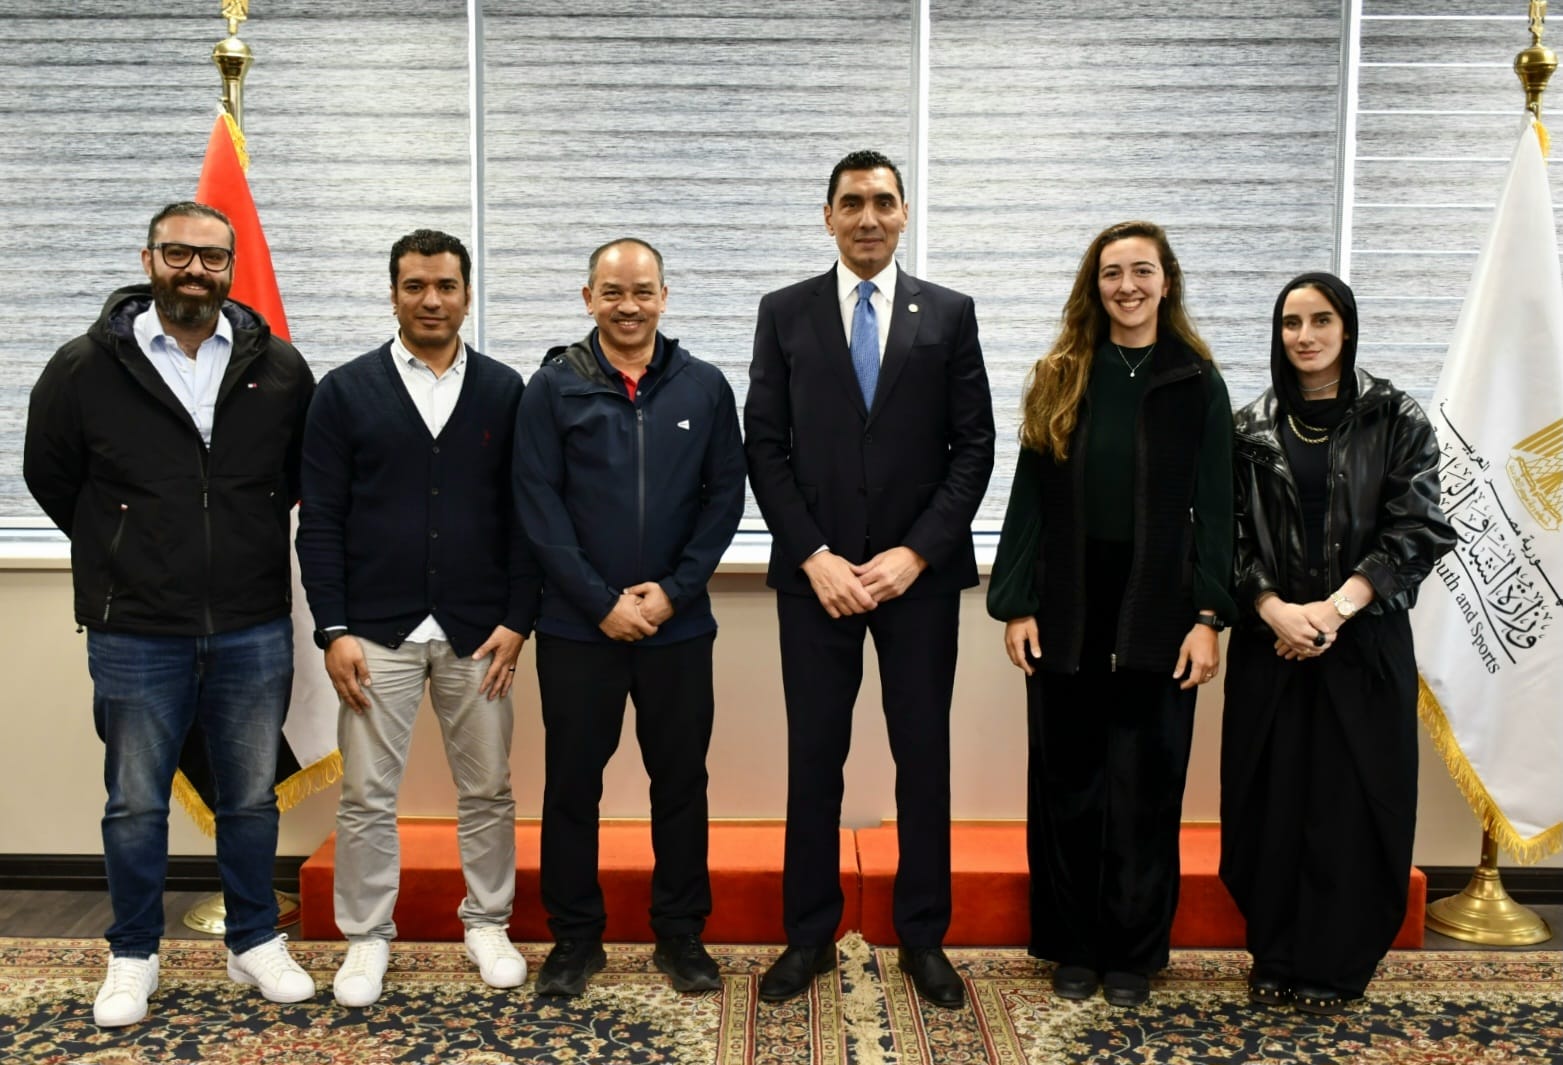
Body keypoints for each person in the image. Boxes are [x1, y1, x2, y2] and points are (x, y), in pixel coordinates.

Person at [23, 201, 318, 1026]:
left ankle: (253, 939)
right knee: (135, 802)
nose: (196, 270)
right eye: (179, 254)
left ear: (231, 268)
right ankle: (132, 954)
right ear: (148, 258)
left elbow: (298, 476)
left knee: (250, 797)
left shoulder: (280, 368)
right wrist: (125, 543)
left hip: (252, 622)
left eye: (212, 258)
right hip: (135, 627)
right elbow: (52, 475)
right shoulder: (83, 366)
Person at [745, 150, 995, 1010]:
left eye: (883, 202)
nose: (867, 217)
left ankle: (923, 936)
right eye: (851, 202)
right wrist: (813, 554)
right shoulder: (783, 312)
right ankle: (808, 935)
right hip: (815, 581)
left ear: (904, 213)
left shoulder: (949, 313)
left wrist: (913, 553)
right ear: (827, 216)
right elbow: (763, 445)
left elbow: (974, 448)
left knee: (922, 759)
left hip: (916, 582)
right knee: (813, 757)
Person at [987, 220, 1234, 1007]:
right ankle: (1071, 944)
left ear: (1167, 281)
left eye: (1141, 271)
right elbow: (1027, 500)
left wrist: (1207, 616)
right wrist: (1016, 604)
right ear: (1092, 287)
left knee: (1145, 786)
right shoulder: (1059, 374)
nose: (1126, 286)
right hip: (1068, 601)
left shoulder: (1196, 381)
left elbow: (1217, 507)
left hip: (1159, 603)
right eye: (1111, 273)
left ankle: (1132, 952)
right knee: (1068, 783)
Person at [296, 229, 539, 1008]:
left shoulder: (505, 390)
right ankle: (367, 936)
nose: (431, 300)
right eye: (414, 286)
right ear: (394, 293)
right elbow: (320, 519)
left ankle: (487, 922)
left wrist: (519, 619)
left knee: (489, 789)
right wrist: (332, 628)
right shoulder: (343, 391)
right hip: (374, 632)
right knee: (367, 794)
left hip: (481, 634)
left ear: (466, 294)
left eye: (445, 286)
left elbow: (528, 515)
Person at [513, 238, 745, 997]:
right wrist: (600, 601)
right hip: (579, 628)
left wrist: (672, 592)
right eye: (612, 292)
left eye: (642, 291)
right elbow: (538, 506)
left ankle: (680, 933)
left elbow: (724, 499)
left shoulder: (704, 387)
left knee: (680, 783)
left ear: (664, 297)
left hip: (678, 627)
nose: (628, 305)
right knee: (572, 786)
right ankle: (575, 938)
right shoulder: (552, 387)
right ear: (588, 299)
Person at [1220, 272, 1454, 1014]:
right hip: (1271, 643)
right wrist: (1273, 608)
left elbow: (1418, 529)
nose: (1305, 336)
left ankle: (1337, 961)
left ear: (1346, 328)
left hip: (1364, 642)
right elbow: (1222, 535)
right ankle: (1274, 954)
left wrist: (1334, 609)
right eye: (1291, 322)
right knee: (1271, 801)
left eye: (1320, 320)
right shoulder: (1247, 427)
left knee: (1352, 803)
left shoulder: (1396, 417)